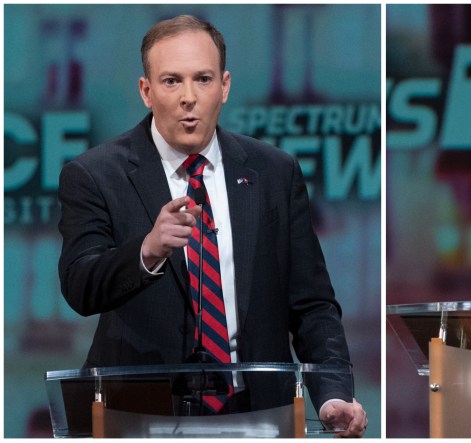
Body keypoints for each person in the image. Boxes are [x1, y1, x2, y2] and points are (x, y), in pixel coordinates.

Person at [57, 15, 367, 437]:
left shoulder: (273, 172)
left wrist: (332, 393)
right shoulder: (95, 174)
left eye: (202, 79)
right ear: (146, 91)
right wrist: (147, 252)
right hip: (139, 415)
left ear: (224, 86)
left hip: (258, 413)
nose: (189, 97)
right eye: (171, 81)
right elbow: (80, 285)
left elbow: (312, 304)